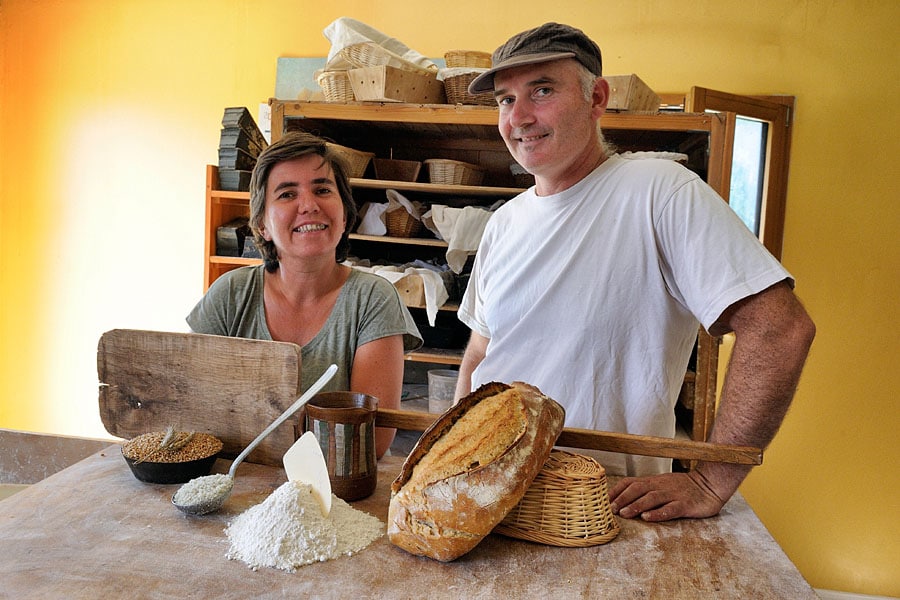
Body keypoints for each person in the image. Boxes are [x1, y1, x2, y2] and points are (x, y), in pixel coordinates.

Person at [456, 23, 815, 521]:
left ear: (596, 97)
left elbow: (780, 329)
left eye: (542, 90)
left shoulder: (658, 192)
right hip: (493, 496)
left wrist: (711, 479)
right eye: (504, 99)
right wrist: (451, 460)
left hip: (604, 508)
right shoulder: (503, 224)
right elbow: (479, 355)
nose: (518, 117)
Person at [188, 131, 422, 459]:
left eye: (323, 189)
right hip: (234, 488)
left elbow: (369, 442)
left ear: (344, 215)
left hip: (334, 496)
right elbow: (192, 414)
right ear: (262, 225)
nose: (309, 206)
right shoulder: (230, 295)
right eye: (286, 194)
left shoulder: (373, 300)